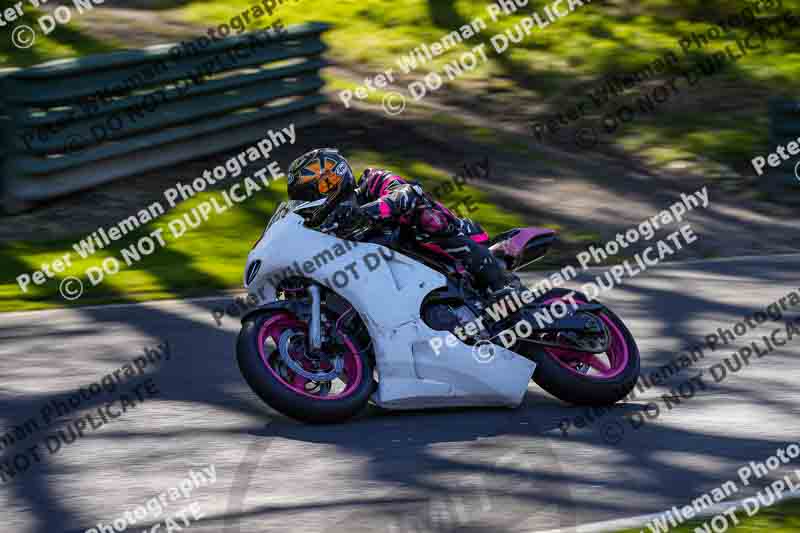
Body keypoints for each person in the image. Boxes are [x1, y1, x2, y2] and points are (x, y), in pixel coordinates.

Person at [286, 148, 514, 297]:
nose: (318, 194)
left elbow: (407, 192)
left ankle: (500, 286)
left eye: (325, 184)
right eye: (309, 193)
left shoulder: (370, 181)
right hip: (400, 285)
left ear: (341, 174)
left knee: (425, 216)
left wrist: (367, 212)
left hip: (448, 244)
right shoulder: (327, 229)